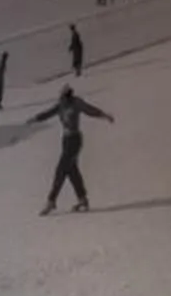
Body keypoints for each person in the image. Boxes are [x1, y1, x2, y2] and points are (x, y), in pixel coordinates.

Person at [29, 84, 115, 214]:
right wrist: (34, 118)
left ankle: (51, 201)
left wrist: (104, 115)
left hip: (75, 140)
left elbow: (89, 110)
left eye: (67, 96)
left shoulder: (76, 102)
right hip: (66, 140)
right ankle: (82, 199)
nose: (65, 99)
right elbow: (48, 113)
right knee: (71, 171)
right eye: (64, 96)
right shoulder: (60, 105)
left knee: (61, 169)